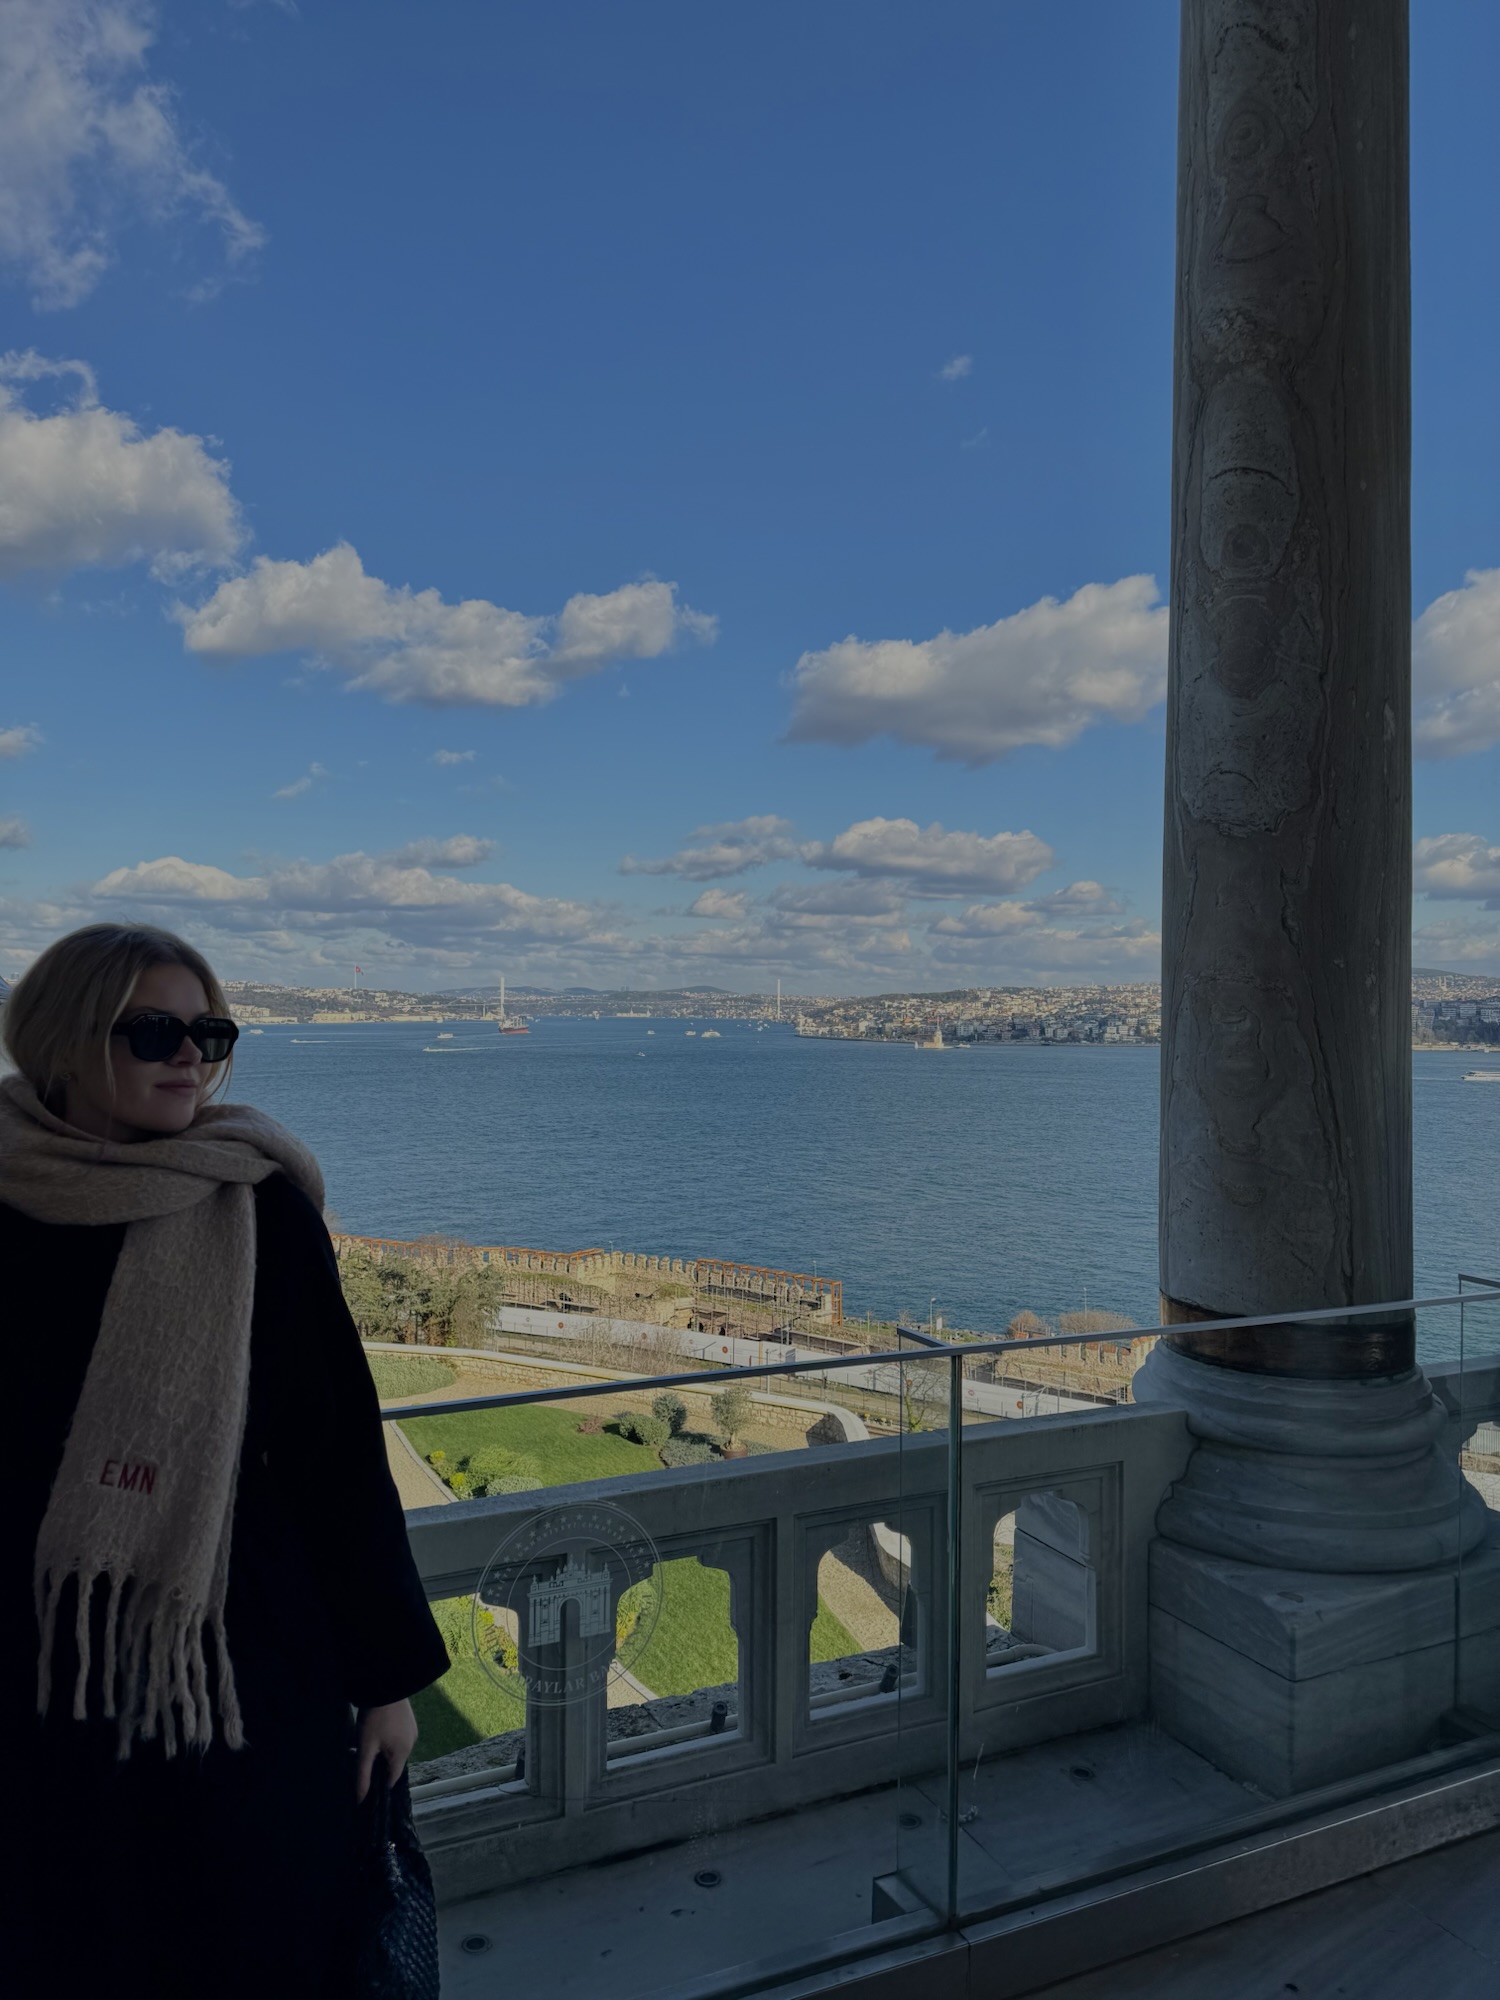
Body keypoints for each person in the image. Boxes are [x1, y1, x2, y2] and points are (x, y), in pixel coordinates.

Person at [0, 924, 449, 1997]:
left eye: (210, 1034)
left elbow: (336, 1456)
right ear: (63, 1039)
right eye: (154, 1031)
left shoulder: (256, 1205)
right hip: (37, 1661)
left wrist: (386, 1684)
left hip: (237, 1668)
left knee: (252, 1936)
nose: (190, 1057)